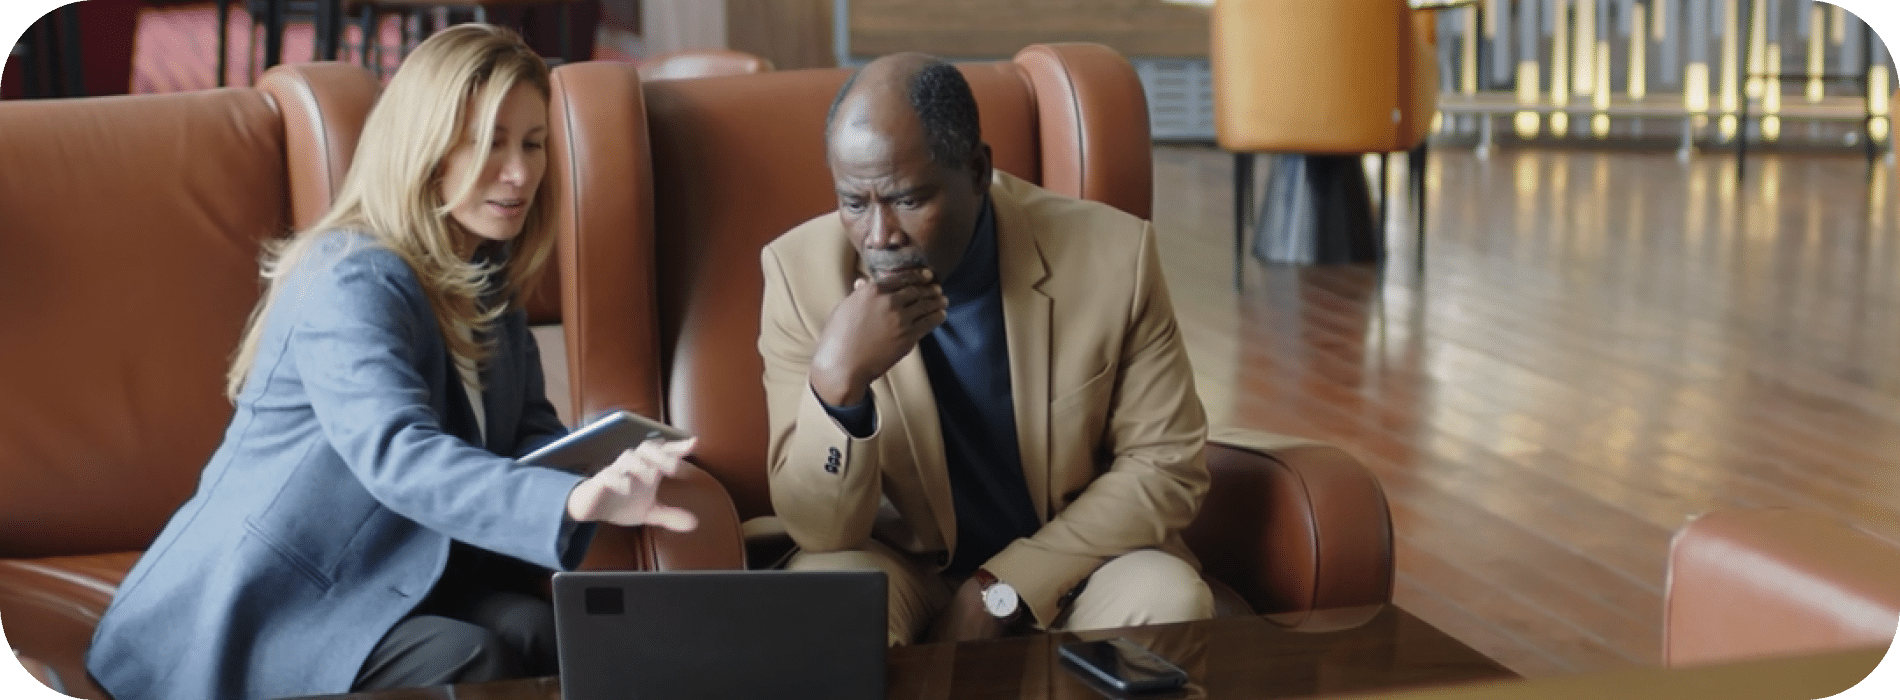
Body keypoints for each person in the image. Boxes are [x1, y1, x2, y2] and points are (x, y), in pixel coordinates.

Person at [85, 24, 698, 700]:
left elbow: (525, 434)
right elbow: (398, 453)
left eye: (533, 143)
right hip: (270, 604)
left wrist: (607, 466)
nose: (520, 172)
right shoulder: (351, 277)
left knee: (544, 632)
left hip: (384, 578)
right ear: (425, 147)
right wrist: (572, 500)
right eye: (487, 142)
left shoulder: (486, 277)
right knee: (472, 657)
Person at [758, 52, 1215, 646]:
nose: (879, 237)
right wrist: (837, 384)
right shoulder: (798, 275)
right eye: (854, 202)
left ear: (977, 171)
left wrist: (1003, 587)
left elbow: (1165, 467)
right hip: (901, 564)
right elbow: (820, 530)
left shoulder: (1114, 256)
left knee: (1167, 598)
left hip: (1073, 563)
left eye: (907, 199)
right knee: (821, 603)